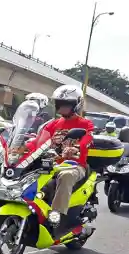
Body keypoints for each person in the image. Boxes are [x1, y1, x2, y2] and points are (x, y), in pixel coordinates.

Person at [36, 85, 94, 229]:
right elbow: (40, 141)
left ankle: (55, 217)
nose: (61, 107)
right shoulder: (52, 124)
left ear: (76, 105)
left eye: (66, 104)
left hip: (75, 165)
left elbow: (88, 139)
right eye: (59, 103)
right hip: (51, 164)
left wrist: (76, 148)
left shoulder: (85, 124)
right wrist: (22, 147)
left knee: (66, 175)